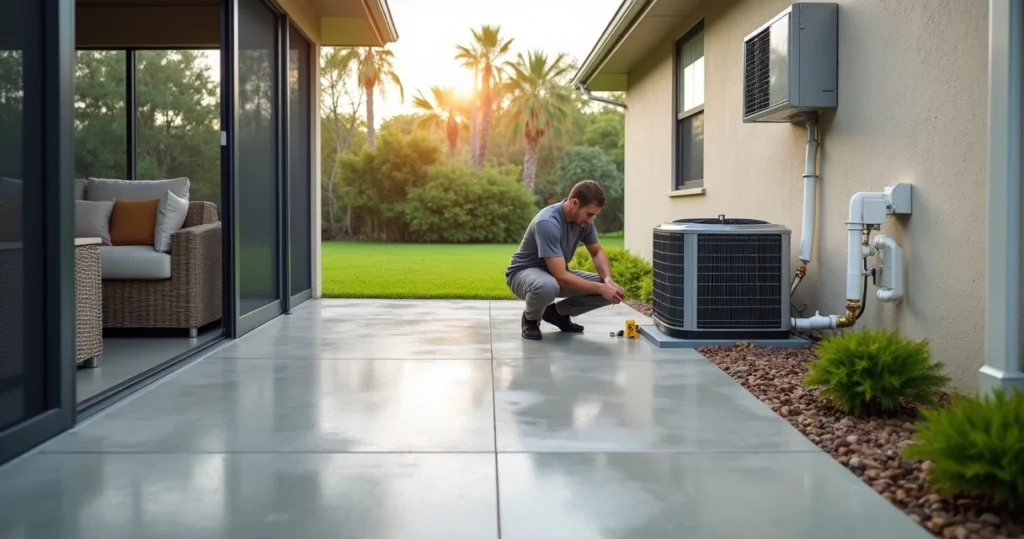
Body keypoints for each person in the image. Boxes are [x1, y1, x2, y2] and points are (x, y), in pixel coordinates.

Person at [505, 179, 625, 340]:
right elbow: (561, 275)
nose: (591, 220)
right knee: (547, 285)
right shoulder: (547, 222)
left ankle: (556, 313)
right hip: (523, 275)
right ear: (574, 203)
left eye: (594, 216)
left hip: (555, 276)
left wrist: (608, 281)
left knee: (609, 289)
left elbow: (596, 252)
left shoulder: (584, 222)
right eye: (589, 214)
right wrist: (601, 288)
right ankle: (531, 319)